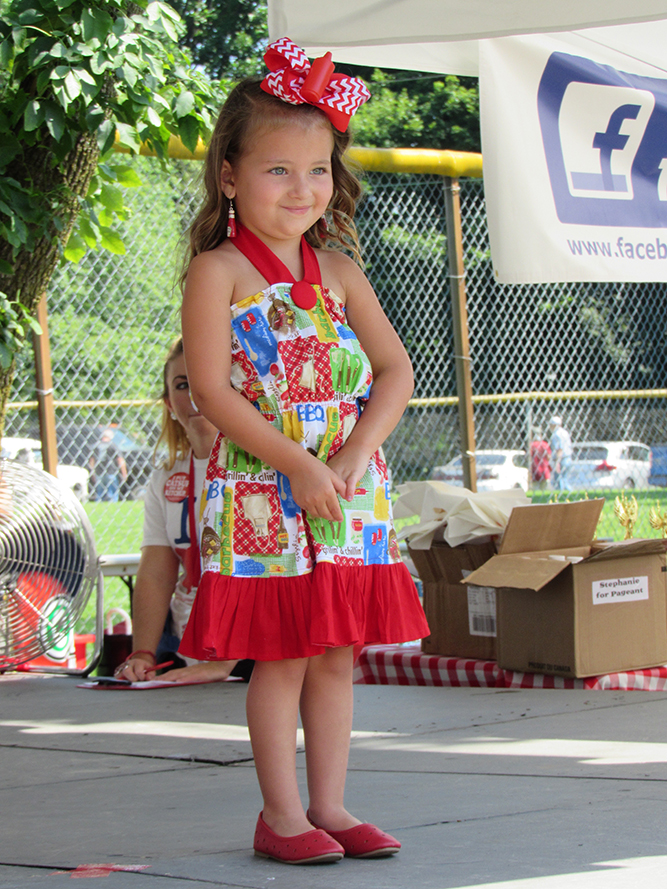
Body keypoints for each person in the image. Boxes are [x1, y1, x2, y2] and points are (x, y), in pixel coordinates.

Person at [179, 38, 430, 865]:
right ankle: (280, 815)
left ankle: (330, 803)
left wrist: (356, 451)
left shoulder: (339, 269)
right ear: (229, 176)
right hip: (262, 491)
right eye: (277, 170)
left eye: (316, 170)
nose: (302, 189)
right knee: (282, 652)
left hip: (349, 489)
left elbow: (394, 371)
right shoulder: (218, 273)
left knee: (334, 651)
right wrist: (295, 462)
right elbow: (212, 390)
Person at [114, 338, 251, 684]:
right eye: (182, 384)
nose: (195, 394)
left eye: (209, 378)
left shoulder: (259, 466)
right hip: (191, 645)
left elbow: (265, 570)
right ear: (168, 404)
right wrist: (143, 653)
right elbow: (157, 572)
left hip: (253, 653)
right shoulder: (167, 477)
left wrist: (226, 662)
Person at [89, 428, 127, 501]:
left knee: (100, 492)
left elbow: (92, 460)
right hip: (111, 471)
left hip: (99, 472)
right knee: (112, 492)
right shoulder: (113, 445)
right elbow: (120, 459)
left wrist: (92, 472)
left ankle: (99, 505)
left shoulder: (96, 445)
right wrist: (124, 472)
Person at [549, 416, 573, 490]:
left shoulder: (556, 434)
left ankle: (563, 495)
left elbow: (559, 449)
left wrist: (557, 462)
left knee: (559, 480)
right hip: (568, 458)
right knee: (564, 479)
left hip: (562, 459)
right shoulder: (565, 432)